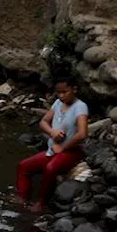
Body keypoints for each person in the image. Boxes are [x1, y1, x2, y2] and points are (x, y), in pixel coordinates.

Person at [17, 78, 89, 212]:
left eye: (65, 92)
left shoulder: (80, 107)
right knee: (24, 166)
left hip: (71, 152)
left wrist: (63, 147)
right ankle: (22, 199)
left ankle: (41, 202)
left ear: (74, 89)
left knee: (50, 169)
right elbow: (43, 122)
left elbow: (82, 133)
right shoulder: (57, 103)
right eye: (58, 92)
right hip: (52, 150)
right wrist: (52, 131)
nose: (61, 96)